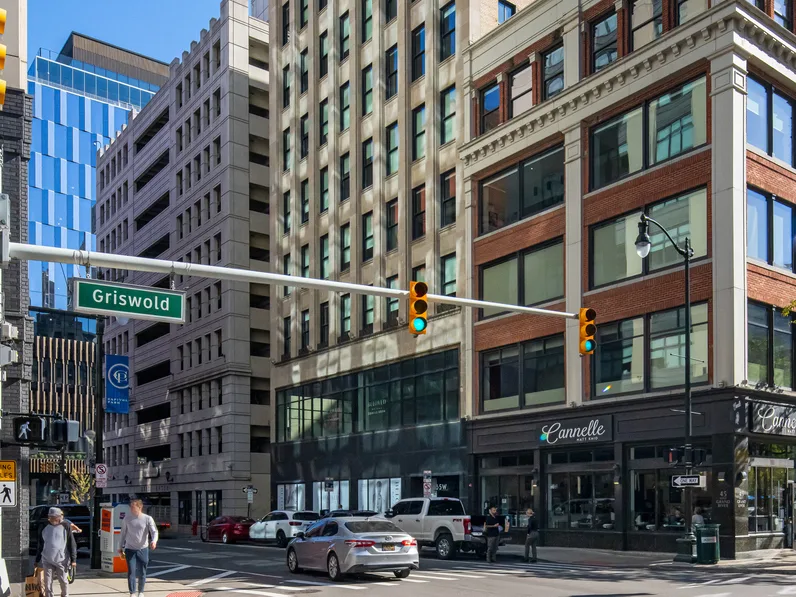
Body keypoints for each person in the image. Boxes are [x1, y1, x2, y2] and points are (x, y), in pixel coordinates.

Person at [119, 499, 159, 597]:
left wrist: (154, 541)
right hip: (130, 549)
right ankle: (132, 592)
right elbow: (122, 534)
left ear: (140, 507)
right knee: (131, 571)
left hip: (143, 549)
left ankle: (141, 591)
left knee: (142, 572)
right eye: (131, 506)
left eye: (133, 506)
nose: (131, 508)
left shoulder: (147, 518)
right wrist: (120, 548)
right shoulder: (127, 519)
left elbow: (154, 531)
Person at [34, 507, 77, 597]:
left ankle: (64, 595)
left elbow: (71, 543)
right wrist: (37, 559)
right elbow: (40, 544)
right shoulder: (44, 526)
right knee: (47, 582)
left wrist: (73, 560)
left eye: (55, 517)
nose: (53, 520)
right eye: (51, 517)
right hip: (47, 559)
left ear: (59, 517)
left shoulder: (66, 526)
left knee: (63, 580)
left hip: (62, 560)